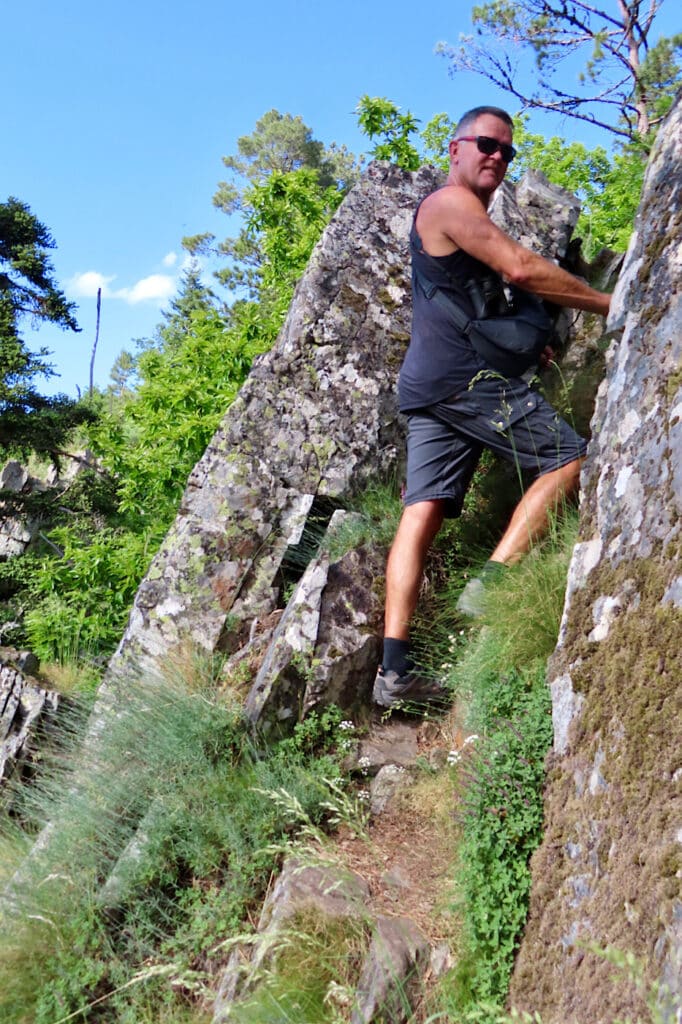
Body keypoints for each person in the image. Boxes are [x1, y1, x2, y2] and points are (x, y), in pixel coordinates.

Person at [373, 105, 611, 709]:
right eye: (486, 144)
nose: (497, 157)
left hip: (429, 385)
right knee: (565, 458)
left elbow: (485, 298)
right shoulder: (448, 204)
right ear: (456, 148)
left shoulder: (461, 214)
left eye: (507, 151)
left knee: (420, 513)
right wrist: (614, 302)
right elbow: (521, 269)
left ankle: (393, 671)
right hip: (464, 382)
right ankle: (493, 584)